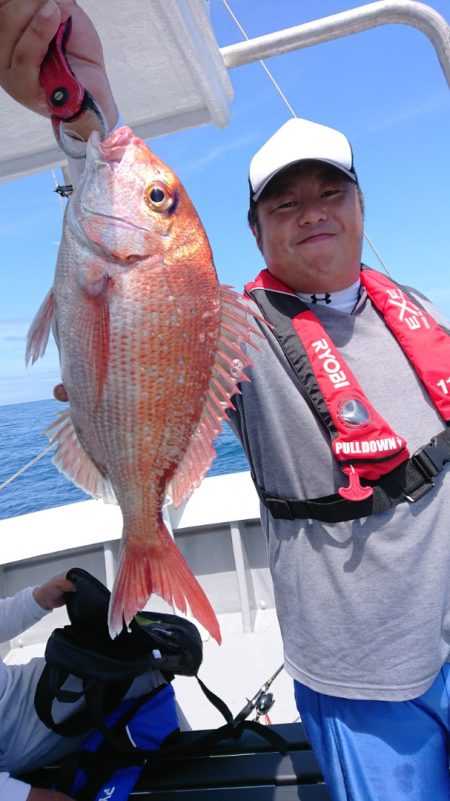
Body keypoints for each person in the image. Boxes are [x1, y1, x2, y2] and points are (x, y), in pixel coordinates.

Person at [2, 2, 450, 799]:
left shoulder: (412, 307)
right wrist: (84, 106)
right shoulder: (238, 329)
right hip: (367, 672)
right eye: (284, 203)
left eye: (330, 191)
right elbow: (114, 193)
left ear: (359, 205)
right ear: (255, 228)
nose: (312, 210)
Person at [0, 574, 81, 801]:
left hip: (15, 684)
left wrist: (38, 598)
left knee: (133, 663)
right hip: (10, 739)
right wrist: (25, 796)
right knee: (132, 682)